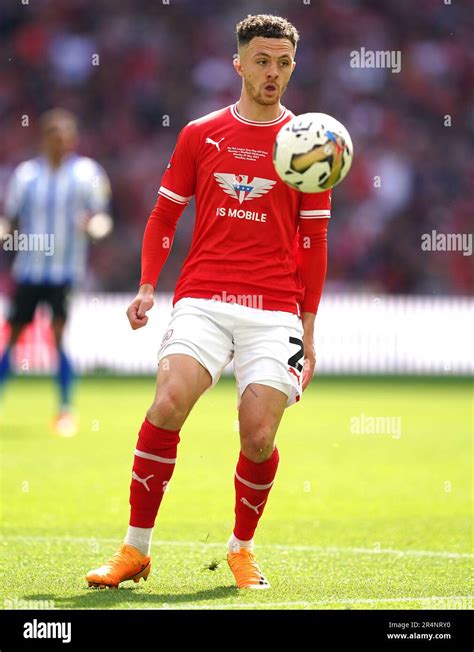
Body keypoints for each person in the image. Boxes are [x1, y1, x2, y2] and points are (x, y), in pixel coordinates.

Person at [86, 13, 331, 590]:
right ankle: (134, 549)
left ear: (293, 67)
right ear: (238, 63)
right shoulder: (201, 132)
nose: (273, 73)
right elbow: (165, 214)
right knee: (169, 401)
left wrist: (310, 330)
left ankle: (241, 548)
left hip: (274, 310)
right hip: (203, 297)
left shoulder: (309, 145)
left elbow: (314, 243)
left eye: (284, 63)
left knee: (258, 433)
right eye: (263, 61)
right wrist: (148, 283)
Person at [0, 108, 112, 436]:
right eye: (55, 137)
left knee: (59, 337)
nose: (61, 143)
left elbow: (102, 217)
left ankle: (64, 411)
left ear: (73, 139)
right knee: (14, 338)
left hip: (65, 270)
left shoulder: (88, 173)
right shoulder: (25, 175)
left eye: (65, 138)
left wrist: (95, 227)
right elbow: (11, 217)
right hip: (29, 269)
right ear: (45, 139)